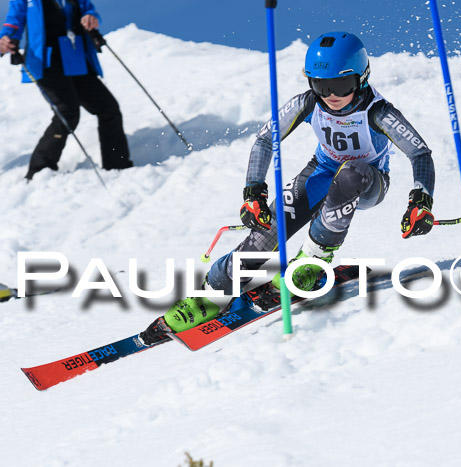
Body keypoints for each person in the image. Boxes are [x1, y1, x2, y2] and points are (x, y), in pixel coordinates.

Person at [139, 32, 435, 344]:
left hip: (368, 180)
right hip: (321, 172)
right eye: (320, 85)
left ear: (362, 78)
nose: (330, 95)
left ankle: (311, 265)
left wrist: (421, 200)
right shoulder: (307, 104)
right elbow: (265, 139)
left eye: (340, 86)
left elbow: (420, 153)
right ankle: (211, 294)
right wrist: (253, 190)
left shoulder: (378, 112)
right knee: (263, 238)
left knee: (350, 174)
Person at [0, 0, 132, 180]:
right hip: (45, 61)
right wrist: (6, 37)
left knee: (108, 108)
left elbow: (89, 9)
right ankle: (38, 173)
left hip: (76, 58)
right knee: (67, 112)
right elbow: (14, 19)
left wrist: (91, 17)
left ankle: (118, 166)